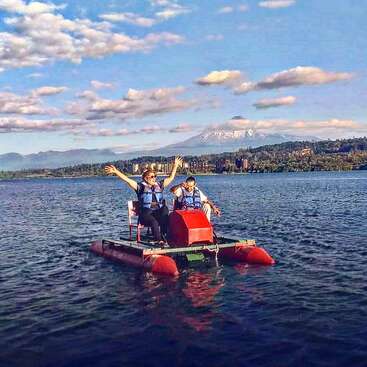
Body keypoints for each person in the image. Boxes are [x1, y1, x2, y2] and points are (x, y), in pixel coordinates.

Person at [105, 157, 183, 245]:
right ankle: (159, 240)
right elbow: (127, 179)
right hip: (146, 214)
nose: (155, 178)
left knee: (165, 210)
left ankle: (165, 236)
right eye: (152, 177)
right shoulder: (140, 187)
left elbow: (171, 177)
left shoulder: (159, 185)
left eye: (155, 176)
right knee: (154, 222)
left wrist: (175, 165)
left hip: (158, 212)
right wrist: (116, 172)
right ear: (145, 178)